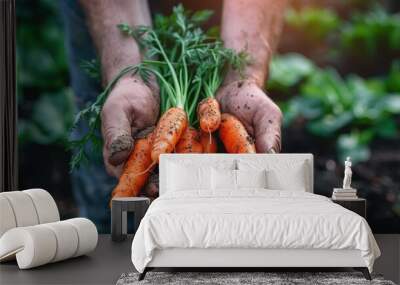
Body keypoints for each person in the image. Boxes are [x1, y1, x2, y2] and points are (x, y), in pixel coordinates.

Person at [60, 0, 286, 232]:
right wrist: (129, 75)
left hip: (230, 15)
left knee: (222, 220)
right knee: (113, 152)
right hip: (113, 11)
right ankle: (109, 240)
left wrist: (243, 77)